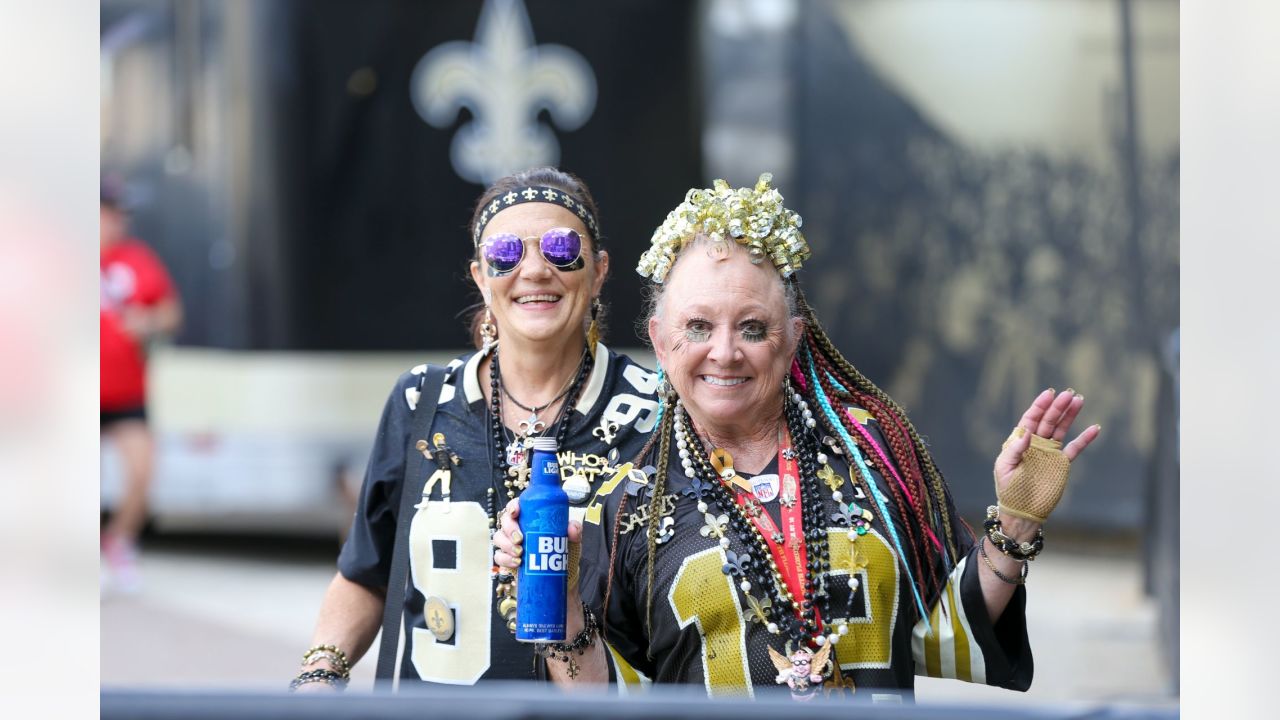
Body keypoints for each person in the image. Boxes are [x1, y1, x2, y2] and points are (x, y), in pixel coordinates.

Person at [492, 174, 1099, 699]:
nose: (724, 353)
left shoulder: (871, 454)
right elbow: (604, 700)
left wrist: (1016, 522)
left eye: (752, 327)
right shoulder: (625, 505)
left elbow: (948, 635)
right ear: (658, 339)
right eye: (698, 325)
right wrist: (565, 599)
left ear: (794, 336)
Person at [294, 167, 660, 691]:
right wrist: (320, 673)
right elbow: (366, 572)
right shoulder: (421, 401)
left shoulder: (653, 413)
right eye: (505, 254)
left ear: (599, 271)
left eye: (560, 247)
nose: (534, 270)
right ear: (480, 277)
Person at [100, 180, 183, 593]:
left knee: (142, 473)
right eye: (111, 212)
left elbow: (170, 313)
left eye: (122, 213)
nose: (119, 221)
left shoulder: (136, 259)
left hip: (126, 391)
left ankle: (116, 544)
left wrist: (147, 323)